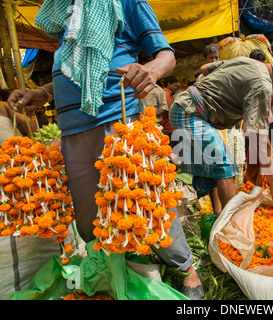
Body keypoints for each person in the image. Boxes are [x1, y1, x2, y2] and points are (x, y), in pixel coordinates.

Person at [6, 0, 204, 299]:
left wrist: (149, 70)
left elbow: (166, 56)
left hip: (118, 119)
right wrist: (43, 92)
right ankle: (122, 266)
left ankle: (186, 269)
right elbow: (76, 67)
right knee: (90, 217)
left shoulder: (125, 2)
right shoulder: (65, 11)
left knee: (150, 201)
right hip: (72, 129)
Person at [169, 52, 273, 217]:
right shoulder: (262, 85)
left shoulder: (249, 62)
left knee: (213, 163)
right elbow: (258, 140)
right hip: (190, 112)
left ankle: (219, 215)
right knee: (226, 167)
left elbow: (205, 69)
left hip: (188, 107)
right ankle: (232, 225)